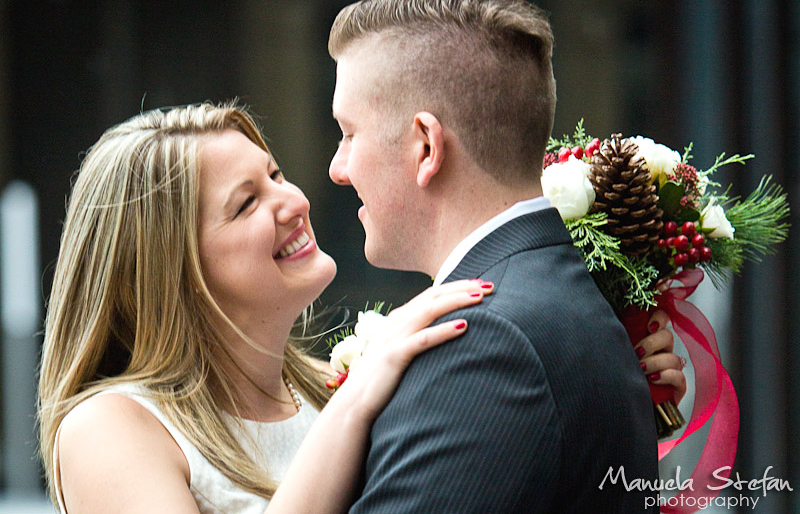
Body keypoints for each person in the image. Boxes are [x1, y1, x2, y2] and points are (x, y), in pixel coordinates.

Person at [38, 101, 683, 514]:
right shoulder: (111, 427)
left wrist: (604, 372)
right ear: (170, 271)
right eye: (245, 203)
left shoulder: (333, 386)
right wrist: (355, 401)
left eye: (275, 174)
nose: (293, 201)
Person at [327, 0, 678, 511]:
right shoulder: (567, 298)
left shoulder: (483, 344)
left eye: (349, 133)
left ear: (426, 146)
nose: (337, 168)